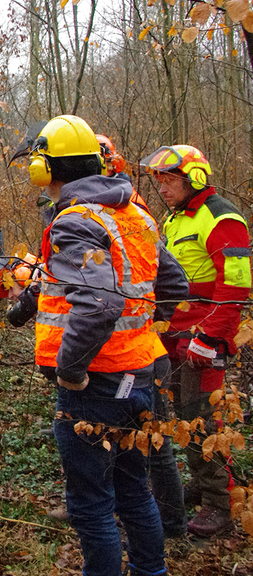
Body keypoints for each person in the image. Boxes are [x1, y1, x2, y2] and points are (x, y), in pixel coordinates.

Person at [9, 115, 188, 576]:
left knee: (91, 504)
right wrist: (142, 329)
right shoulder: (133, 213)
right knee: (133, 491)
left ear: (46, 169)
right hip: (140, 372)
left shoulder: (75, 221)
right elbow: (174, 283)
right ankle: (152, 571)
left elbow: (101, 302)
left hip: (96, 383)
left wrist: (71, 368)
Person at [140, 143, 251, 537]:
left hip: (204, 340)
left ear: (194, 178)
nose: (162, 188)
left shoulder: (220, 217)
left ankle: (220, 503)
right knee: (184, 419)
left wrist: (211, 337)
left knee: (202, 419)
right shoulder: (175, 220)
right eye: (159, 181)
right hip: (176, 338)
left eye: (169, 180)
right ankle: (202, 485)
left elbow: (236, 286)